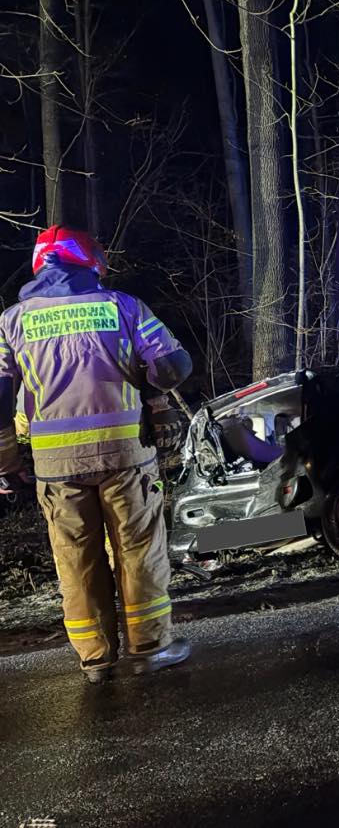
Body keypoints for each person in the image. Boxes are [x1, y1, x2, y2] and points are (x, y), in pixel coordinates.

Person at [0, 226, 194, 683]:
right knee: (139, 549)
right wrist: (158, 392)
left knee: (75, 560)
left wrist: (7, 462)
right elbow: (172, 366)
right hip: (125, 456)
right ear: (91, 261)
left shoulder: (11, 322)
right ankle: (150, 648)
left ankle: (97, 659)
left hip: (56, 468)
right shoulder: (122, 307)